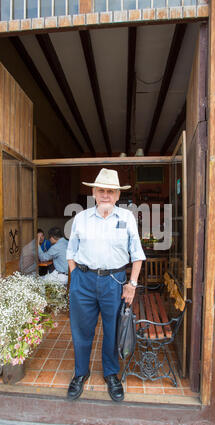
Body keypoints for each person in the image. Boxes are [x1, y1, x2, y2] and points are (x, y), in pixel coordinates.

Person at [66, 168, 146, 402]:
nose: (105, 195)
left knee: (112, 330)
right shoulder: (80, 218)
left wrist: (131, 284)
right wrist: (77, 280)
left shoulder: (127, 218)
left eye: (110, 191)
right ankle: (81, 373)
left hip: (115, 282)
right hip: (83, 280)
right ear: (93, 192)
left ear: (118, 195)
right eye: (101, 190)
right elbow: (71, 252)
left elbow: (137, 255)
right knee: (81, 330)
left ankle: (111, 374)